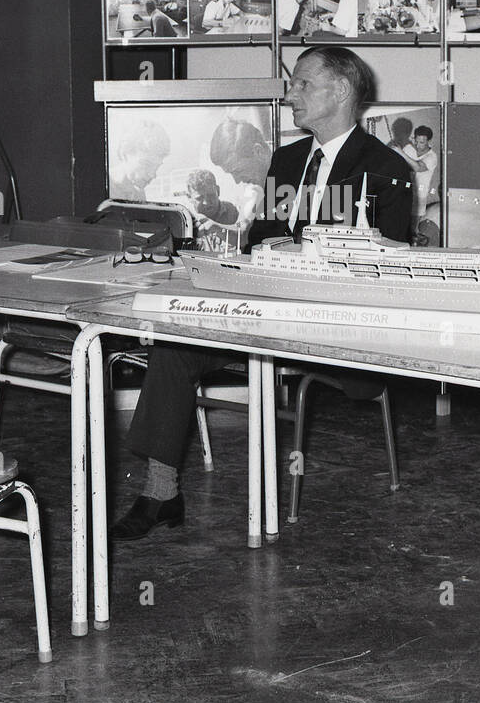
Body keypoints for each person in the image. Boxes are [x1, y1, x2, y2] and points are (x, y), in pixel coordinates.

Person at [113, 48, 413, 540]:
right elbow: (260, 240)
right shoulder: (289, 160)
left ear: (339, 92)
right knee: (174, 345)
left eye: (302, 85)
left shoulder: (386, 170)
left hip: (332, 319)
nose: (289, 94)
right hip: (264, 307)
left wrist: (306, 250)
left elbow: (384, 264)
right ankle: (160, 492)